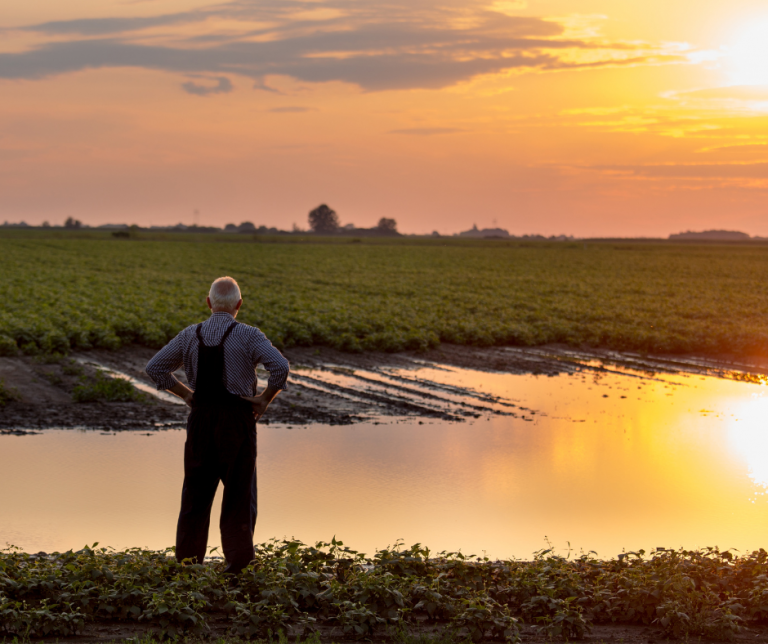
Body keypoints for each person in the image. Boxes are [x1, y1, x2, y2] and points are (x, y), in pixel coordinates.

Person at [146, 276, 289, 573]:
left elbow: (155, 367)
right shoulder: (249, 335)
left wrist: (187, 394)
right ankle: (238, 568)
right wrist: (264, 399)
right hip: (237, 421)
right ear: (239, 304)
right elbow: (281, 366)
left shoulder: (190, 334)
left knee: (195, 495)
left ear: (209, 303)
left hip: (201, 421)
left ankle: (188, 567)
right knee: (239, 494)